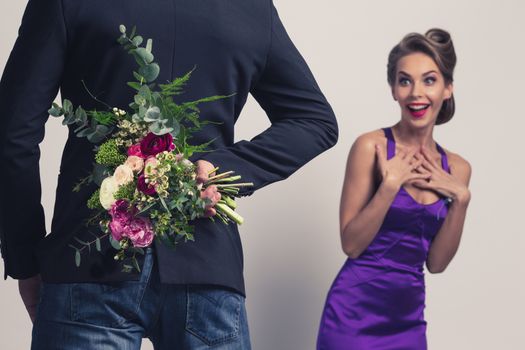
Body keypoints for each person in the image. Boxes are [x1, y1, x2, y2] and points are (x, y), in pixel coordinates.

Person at [0, 0, 338, 349]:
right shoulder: (250, 8)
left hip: (89, 255)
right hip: (206, 261)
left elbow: (12, 135)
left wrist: (25, 259)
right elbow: (315, 121)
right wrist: (223, 169)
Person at [316, 28, 471, 349]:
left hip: (408, 320)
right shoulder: (370, 147)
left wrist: (461, 200)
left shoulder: (457, 169)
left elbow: (437, 263)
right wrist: (389, 186)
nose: (416, 92)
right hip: (352, 316)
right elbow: (352, 245)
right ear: (394, 91)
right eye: (405, 80)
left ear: (447, 89)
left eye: (429, 80)